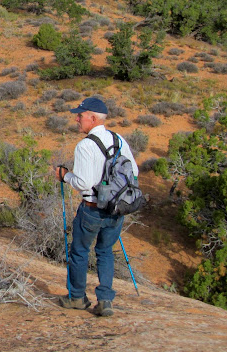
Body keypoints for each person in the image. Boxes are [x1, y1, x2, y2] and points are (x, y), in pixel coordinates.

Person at [54, 97, 138, 317]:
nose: (77, 119)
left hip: (92, 208)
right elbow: (134, 172)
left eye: (80, 115)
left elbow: (83, 182)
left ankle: (77, 298)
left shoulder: (85, 145)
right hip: (115, 209)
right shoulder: (118, 140)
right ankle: (105, 301)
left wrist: (65, 176)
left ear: (92, 118)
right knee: (105, 252)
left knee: (80, 252)